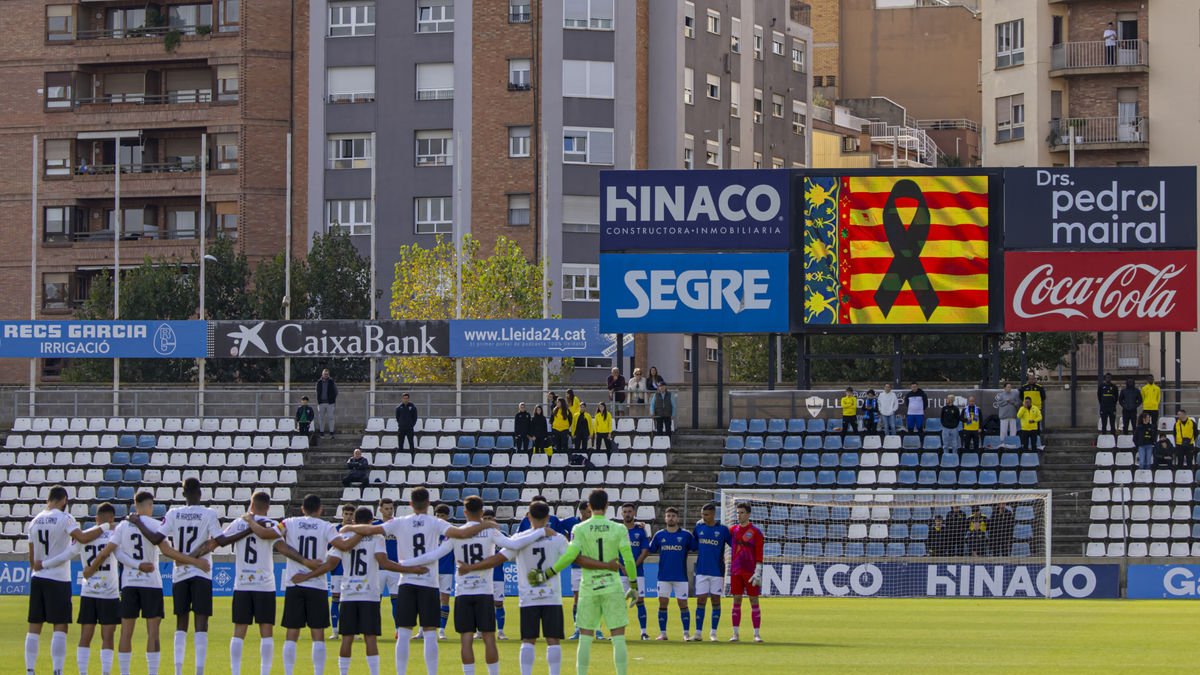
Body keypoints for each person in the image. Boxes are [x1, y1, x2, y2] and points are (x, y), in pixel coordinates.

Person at [339, 486, 497, 675]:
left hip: (406, 581)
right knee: (430, 632)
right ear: (429, 504)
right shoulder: (436, 522)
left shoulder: (399, 522)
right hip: (429, 582)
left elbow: (372, 529)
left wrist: (349, 526)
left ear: (410, 504)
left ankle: (401, 673)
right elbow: (462, 533)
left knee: (404, 633)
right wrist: (486, 525)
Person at [403, 496, 554, 675]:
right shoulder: (490, 531)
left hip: (463, 593)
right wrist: (541, 532)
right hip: (484, 591)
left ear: (465, 512)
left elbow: (434, 555)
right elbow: (514, 544)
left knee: (466, 639)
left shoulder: (456, 533)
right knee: (489, 638)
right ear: (482, 512)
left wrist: (405, 563)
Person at [294, 506, 430, 675]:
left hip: (348, 594)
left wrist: (306, 576)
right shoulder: (376, 537)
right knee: (370, 638)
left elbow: (330, 565)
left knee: (347, 639)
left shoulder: (343, 537)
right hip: (369, 594)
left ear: (355, 520)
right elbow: (384, 563)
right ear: (370, 522)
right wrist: (412, 569)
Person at [90, 492, 209, 675]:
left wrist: (135, 565)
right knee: (153, 632)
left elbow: (113, 552)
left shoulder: (123, 526)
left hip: (129, 583)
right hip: (151, 583)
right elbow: (167, 551)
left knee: (126, 632)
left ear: (135, 504)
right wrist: (194, 561)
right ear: (149, 505)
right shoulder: (155, 525)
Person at [454, 501, 570, 675]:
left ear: (528, 516)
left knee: (528, 640)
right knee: (553, 639)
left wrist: (470, 567)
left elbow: (497, 559)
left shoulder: (520, 539)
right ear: (548, 517)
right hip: (551, 595)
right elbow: (571, 557)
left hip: (528, 597)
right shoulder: (558, 537)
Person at [532, 489, 639, 675]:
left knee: (585, 638)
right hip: (612, 587)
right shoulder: (619, 528)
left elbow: (570, 556)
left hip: (589, 587)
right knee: (618, 637)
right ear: (607, 506)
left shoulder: (579, 528)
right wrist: (633, 585)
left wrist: (547, 573)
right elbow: (628, 559)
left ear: (589, 506)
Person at [138, 478, 223, 675]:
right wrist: (195, 557)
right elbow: (218, 540)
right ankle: (199, 671)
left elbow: (157, 539)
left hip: (180, 574)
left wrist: (138, 523)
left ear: (183, 494)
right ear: (200, 493)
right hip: (202, 573)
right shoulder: (209, 513)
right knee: (201, 623)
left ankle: (178, 671)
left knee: (181, 623)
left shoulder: (173, 514)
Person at [24, 485, 108, 675]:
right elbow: (83, 538)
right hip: (58, 578)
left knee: (34, 626)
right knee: (60, 626)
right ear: (63, 500)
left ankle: (30, 670)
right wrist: (104, 526)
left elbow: (32, 561)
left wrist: (41, 564)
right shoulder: (65, 518)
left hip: (38, 578)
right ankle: (57, 671)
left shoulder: (34, 521)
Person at [277, 494, 359, 675]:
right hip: (317, 585)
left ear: (302, 508)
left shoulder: (289, 522)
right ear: (320, 509)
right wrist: (361, 532)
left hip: (294, 583)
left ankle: (288, 672)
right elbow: (343, 546)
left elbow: (277, 542)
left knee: (292, 633)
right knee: (318, 634)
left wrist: (303, 561)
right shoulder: (326, 527)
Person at [636, 507, 695, 641]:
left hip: (681, 577)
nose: (671, 518)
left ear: (677, 518)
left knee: (683, 604)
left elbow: (696, 546)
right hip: (663, 577)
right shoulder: (659, 535)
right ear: (665, 518)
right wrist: (642, 529)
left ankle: (686, 633)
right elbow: (649, 549)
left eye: (673, 516)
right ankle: (663, 633)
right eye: (668, 516)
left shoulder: (685, 535)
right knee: (662, 604)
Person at [691, 503, 730, 642]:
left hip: (717, 571)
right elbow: (693, 545)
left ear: (713, 514)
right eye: (702, 514)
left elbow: (734, 544)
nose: (703, 517)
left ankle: (713, 633)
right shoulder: (698, 528)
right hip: (701, 570)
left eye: (706, 514)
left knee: (715, 601)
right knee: (700, 600)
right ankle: (698, 632)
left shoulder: (723, 530)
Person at [728, 502, 764, 643]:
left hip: (750, 572)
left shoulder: (755, 532)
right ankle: (735, 634)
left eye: (742, 512)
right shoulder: (733, 530)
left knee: (754, 601)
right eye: (737, 512)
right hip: (736, 571)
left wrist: (758, 570)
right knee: (736, 600)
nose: (739, 515)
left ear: (748, 514)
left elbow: (759, 552)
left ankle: (756, 634)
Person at [619, 504, 651, 641]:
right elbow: (613, 552)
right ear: (621, 514)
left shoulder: (640, 531)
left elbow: (645, 551)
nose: (627, 514)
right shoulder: (617, 531)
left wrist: (632, 567)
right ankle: (619, 633)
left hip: (638, 573)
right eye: (625, 512)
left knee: (640, 601)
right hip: (621, 574)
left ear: (634, 513)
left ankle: (643, 632)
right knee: (620, 603)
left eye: (629, 512)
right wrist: (622, 568)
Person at [330, 504, 356, 639]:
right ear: (342, 514)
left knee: (352, 602)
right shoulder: (335, 530)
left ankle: (353, 631)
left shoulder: (357, 531)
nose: (348, 516)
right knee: (335, 600)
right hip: (338, 571)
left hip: (353, 572)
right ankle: (334, 630)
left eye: (351, 514)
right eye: (346, 514)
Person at [434, 504, 456, 640]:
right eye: (438, 515)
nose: (440, 518)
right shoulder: (431, 531)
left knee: (444, 600)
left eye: (443, 516)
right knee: (429, 601)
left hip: (446, 571)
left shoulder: (452, 532)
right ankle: (422, 630)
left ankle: (441, 630)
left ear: (447, 517)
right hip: (431, 570)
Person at [1020, 375, 1047, 448]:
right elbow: (1021, 397)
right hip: (1026, 409)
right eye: (1030, 379)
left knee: (1036, 424)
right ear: (1028, 380)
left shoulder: (1039, 387)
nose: (1031, 380)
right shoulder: (1023, 387)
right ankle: (1025, 443)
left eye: (1033, 379)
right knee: (1026, 423)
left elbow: (1043, 397)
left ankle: (1036, 438)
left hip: (1036, 409)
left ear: (1035, 380)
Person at [316, 368, 338, 439]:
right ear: (322, 374)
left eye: (327, 374)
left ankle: (331, 433)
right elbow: (317, 392)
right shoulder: (319, 382)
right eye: (325, 374)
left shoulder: (331, 382)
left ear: (329, 375)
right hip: (321, 403)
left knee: (331, 418)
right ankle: (321, 432)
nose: (326, 375)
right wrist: (319, 400)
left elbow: (336, 391)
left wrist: (332, 399)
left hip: (330, 403)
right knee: (321, 418)